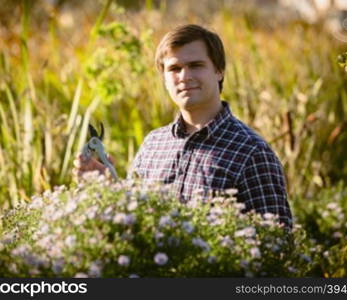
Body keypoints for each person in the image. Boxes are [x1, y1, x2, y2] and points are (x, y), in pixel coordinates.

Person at [74, 24, 293, 228]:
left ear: (219, 71)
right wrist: (106, 188)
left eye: (195, 65)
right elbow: (135, 224)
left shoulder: (252, 152)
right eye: (174, 68)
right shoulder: (153, 145)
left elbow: (278, 246)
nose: (184, 76)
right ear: (164, 78)